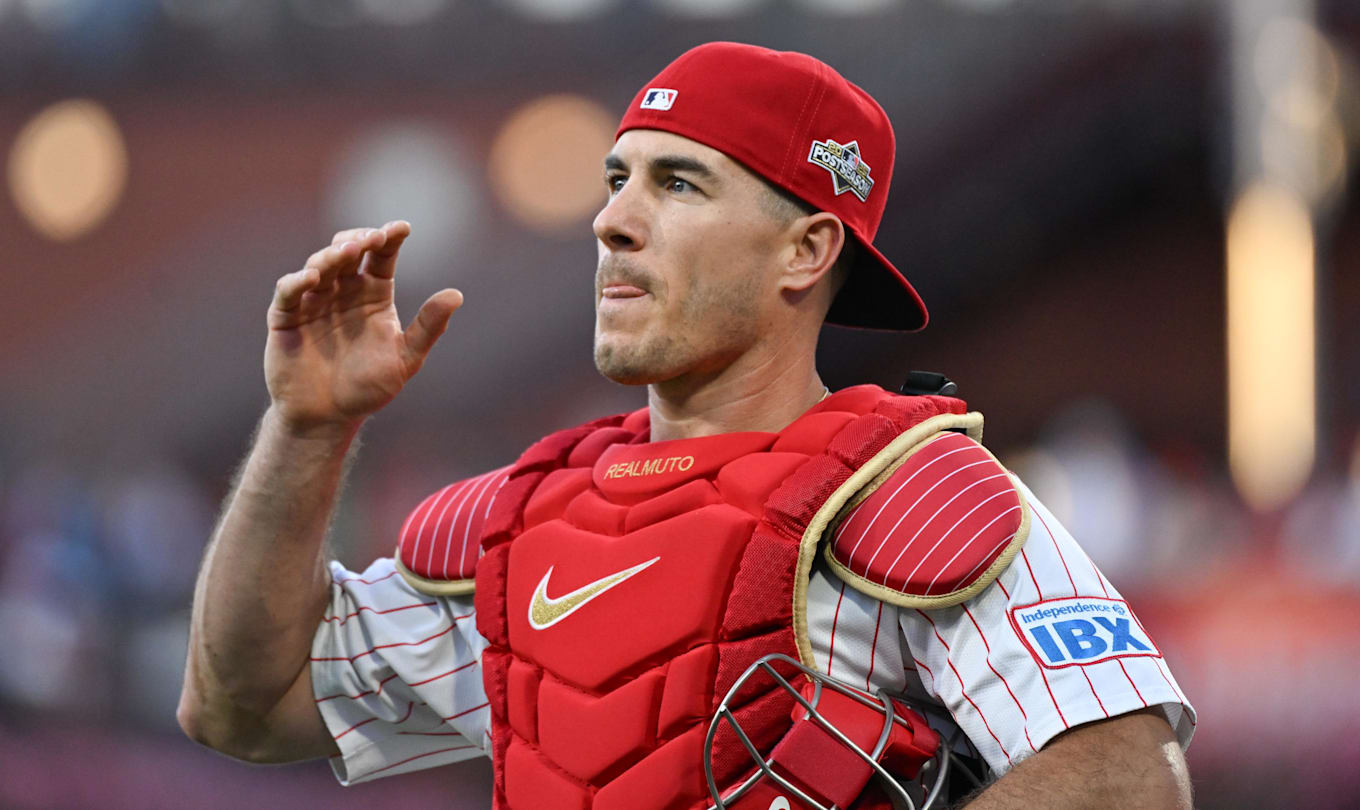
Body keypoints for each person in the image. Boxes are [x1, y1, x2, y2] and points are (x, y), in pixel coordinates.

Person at [178, 42, 1196, 809]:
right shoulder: (529, 525)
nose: (612, 219)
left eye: (678, 183)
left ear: (805, 250)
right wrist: (306, 433)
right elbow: (242, 705)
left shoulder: (906, 499)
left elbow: (1126, 777)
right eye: (618, 178)